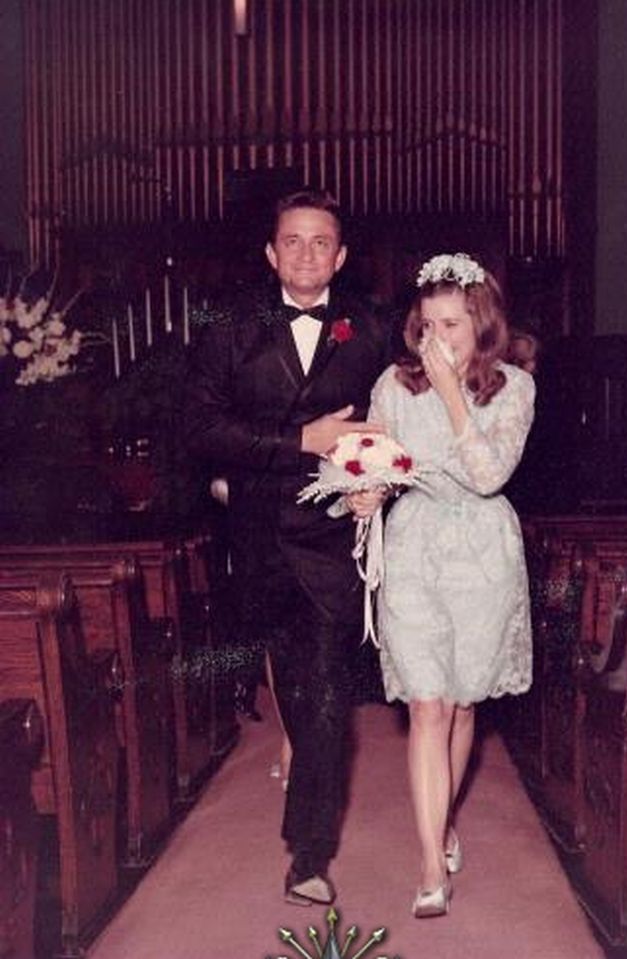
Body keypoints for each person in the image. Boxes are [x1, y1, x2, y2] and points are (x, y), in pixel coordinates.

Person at [184, 189, 389, 906]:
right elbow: (201, 429)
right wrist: (298, 440)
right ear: (271, 252)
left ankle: (309, 852)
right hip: (258, 537)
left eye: (320, 241)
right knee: (297, 694)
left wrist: (380, 483)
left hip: (333, 536)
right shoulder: (229, 328)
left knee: (329, 692)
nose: (306, 253)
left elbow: (394, 425)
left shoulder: (369, 329)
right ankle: (303, 786)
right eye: (292, 241)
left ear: (341, 254)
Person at [348, 252, 535, 918]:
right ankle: (431, 865)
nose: (437, 341)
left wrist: (453, 392)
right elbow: (371, 464)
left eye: (452, 325)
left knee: (459, 705)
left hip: (483, 553)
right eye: (427, 326)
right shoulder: (394, 386)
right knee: (427, 705)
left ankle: (443, 818)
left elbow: (487, 474)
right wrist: (364, 494)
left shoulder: (514, 386)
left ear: (481, 323)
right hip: (417, 548)